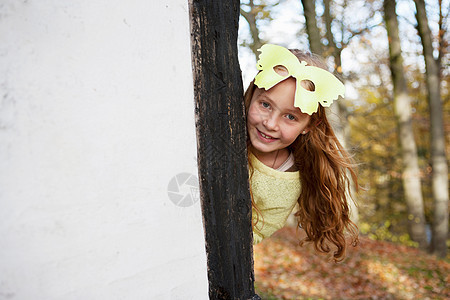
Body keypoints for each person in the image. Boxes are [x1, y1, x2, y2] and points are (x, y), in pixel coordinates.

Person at [246, 44, 358, 262]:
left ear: (308, 125)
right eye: (265, 104)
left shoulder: (285, 181)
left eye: (290, 117)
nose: (270, 123)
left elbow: (254, 234)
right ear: (252, 95)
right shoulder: (227, 128)